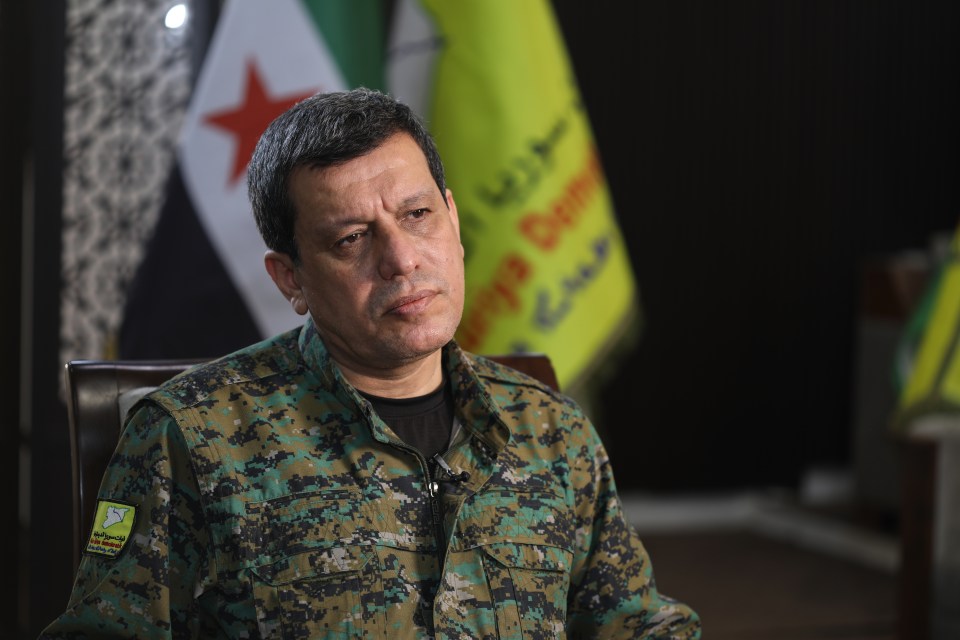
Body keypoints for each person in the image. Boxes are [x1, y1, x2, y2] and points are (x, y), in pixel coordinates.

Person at [41, 88, 701, 639]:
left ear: (453, 223)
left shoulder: (550, 430)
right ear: (290, 279)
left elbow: (635, 625)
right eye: (351, 238)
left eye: (417, 215)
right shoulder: (189, 437)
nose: (402, 259)